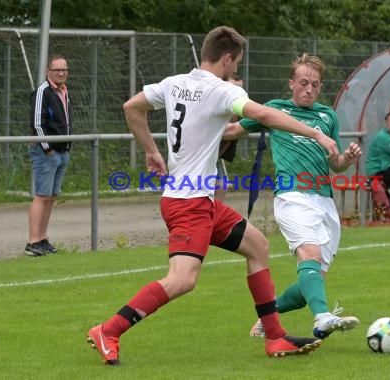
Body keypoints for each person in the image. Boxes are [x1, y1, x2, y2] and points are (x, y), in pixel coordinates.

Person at [86, 26, 340, 365]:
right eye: (236, 64)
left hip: (200, 200)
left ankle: (275, 337)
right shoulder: (219, 89)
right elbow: (264, 115)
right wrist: (316, 134)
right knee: (182, 279)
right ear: (228, 58)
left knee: (258, 247)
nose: (236, 71)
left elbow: (132, 107)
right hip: (187, 204)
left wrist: (151, 151)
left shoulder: (175, 83)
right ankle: (109, 329)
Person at [224, 53, 361, 340]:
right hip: (293, 196)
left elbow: (335, 164)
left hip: (324, 201)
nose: (308, 89)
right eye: (303, 83)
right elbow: (234, 130)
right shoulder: (275, 110)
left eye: (314, 84)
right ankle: (323, 318)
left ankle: (268, 314)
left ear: (320, 87)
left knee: (312, 284)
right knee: (308, 255)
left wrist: (346, 158)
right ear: (291, 84)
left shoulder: (327, 116)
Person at [25, 55, 72, 257]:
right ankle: (33, 242)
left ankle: (43, 239)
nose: (61, 73)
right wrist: (47, 148)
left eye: (64, 70)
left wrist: (66, 146)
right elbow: (37, 123)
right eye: (57, 70)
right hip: (47, 152)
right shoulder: (42, 92)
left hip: (63, 151)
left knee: (51, 197)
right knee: (42, 196)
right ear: (48, 71)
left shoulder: (64, 91)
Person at [215, 73, 243, 201]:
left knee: (221, 187)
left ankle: (215, 218)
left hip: (214, 156)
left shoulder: (239, 109)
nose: (237, 91)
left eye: (240, 88)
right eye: (233, 87)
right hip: (197, 155)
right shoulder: (214, 104)